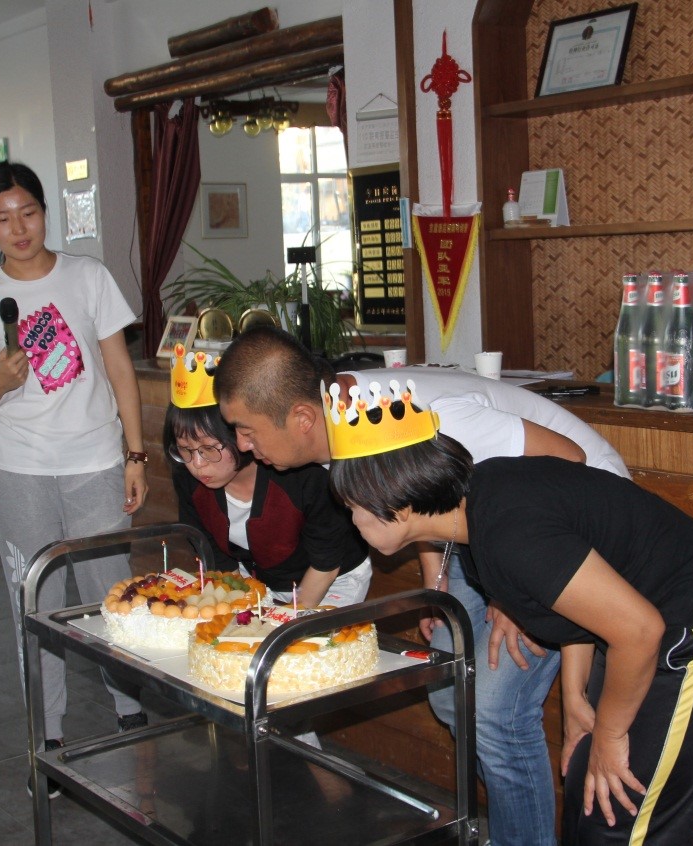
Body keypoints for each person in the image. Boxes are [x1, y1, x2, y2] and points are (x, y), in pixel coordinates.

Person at [214, 326, 627, 845]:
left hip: (574, 529)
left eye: (245, 429)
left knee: (496, 715)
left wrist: (513, 592)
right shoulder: (337, 415)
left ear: (300, 419)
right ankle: (511, 820)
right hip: (489, 535)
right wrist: (437, 576)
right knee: (450, 692)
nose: (241, 445)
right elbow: (429, 495)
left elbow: (571, 463)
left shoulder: (431, 419)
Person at [324, 390, 693, 845]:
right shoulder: (477, 512)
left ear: (398, 507)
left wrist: (611, 735)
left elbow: (639, 631)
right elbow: (579, 604)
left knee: (619, 818)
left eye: (353, 507)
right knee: (588, 799)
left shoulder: (510, 534)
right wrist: (575, 701)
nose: (350, 520)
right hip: (643, 628)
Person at [0, 161, 149, 771]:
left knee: (109, 593)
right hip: (22, 471)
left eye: (29, 213)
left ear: (45, 212)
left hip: (95, 463)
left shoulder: (88, 276)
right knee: (35, 601)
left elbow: (120, 370)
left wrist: (135, 454)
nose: (19, 229)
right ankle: (50, 729)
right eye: (2, 219)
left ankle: (130, 702)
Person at [163, 345, 371, 608]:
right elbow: (212, 552)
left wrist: (284, 622)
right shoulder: (188, 476)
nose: (197, 464)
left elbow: (326, 563)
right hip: (259, 581)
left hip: (330, 579)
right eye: (185, 449)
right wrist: (241, 606)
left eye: (209, 449)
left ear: (239, 432)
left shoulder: (300, 472)